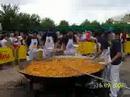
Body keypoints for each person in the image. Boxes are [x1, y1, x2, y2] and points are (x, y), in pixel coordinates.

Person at [109, 32, 122, 97]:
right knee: (116, 77)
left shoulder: (115, 42)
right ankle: (118, 88)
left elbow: (119, 54)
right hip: (117, 63)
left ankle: (113, 94)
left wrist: (110, 61)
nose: (109, 37)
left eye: (110, 36)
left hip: (115, 63)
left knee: (113, 79)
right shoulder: (114, 42)